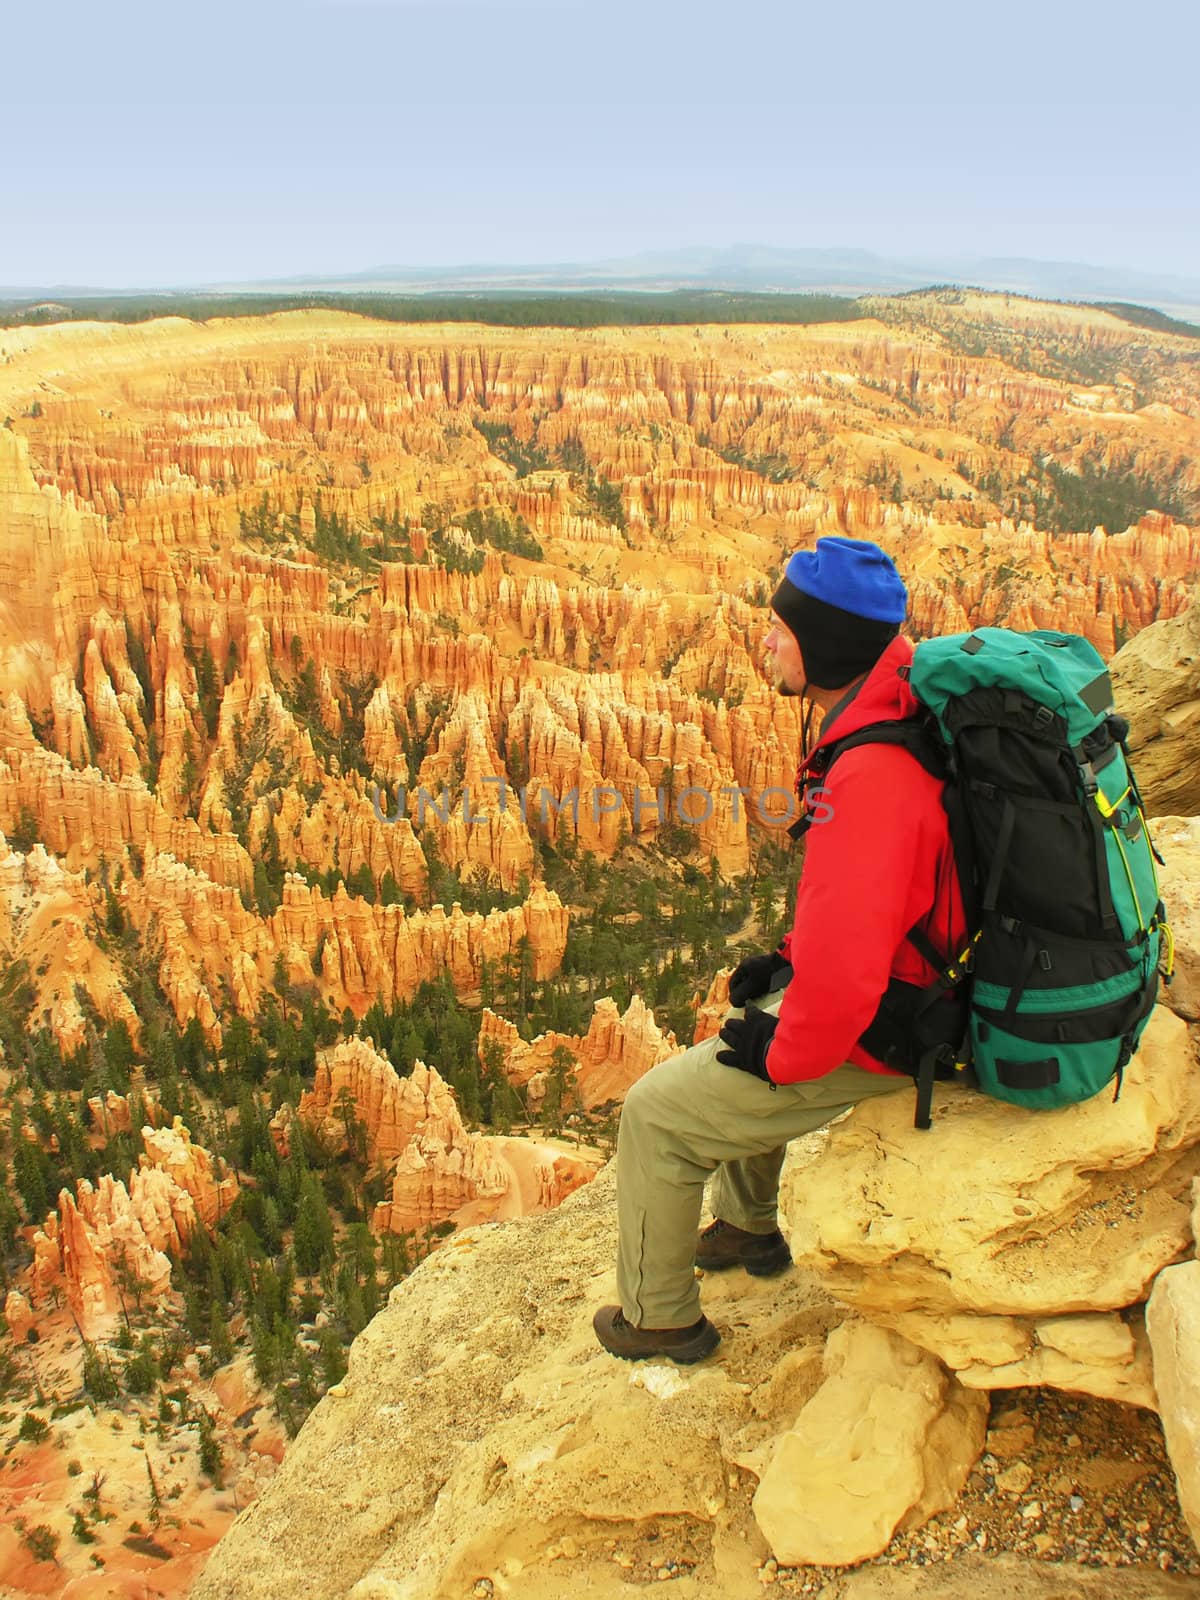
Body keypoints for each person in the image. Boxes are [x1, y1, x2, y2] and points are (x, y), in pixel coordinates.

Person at [593, 536, 966, 1362]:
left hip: (911, 1020)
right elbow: (868, 911)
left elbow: (844, 981)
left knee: (658, 1113)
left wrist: (785, 1053)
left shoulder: (872, 774)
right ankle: (748, 1230)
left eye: (780, 627)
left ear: (826, 644)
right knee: (761, 1018)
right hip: (927, 979)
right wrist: (788, 962)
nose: (763, 640)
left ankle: (659, 1322)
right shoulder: (894, 708)